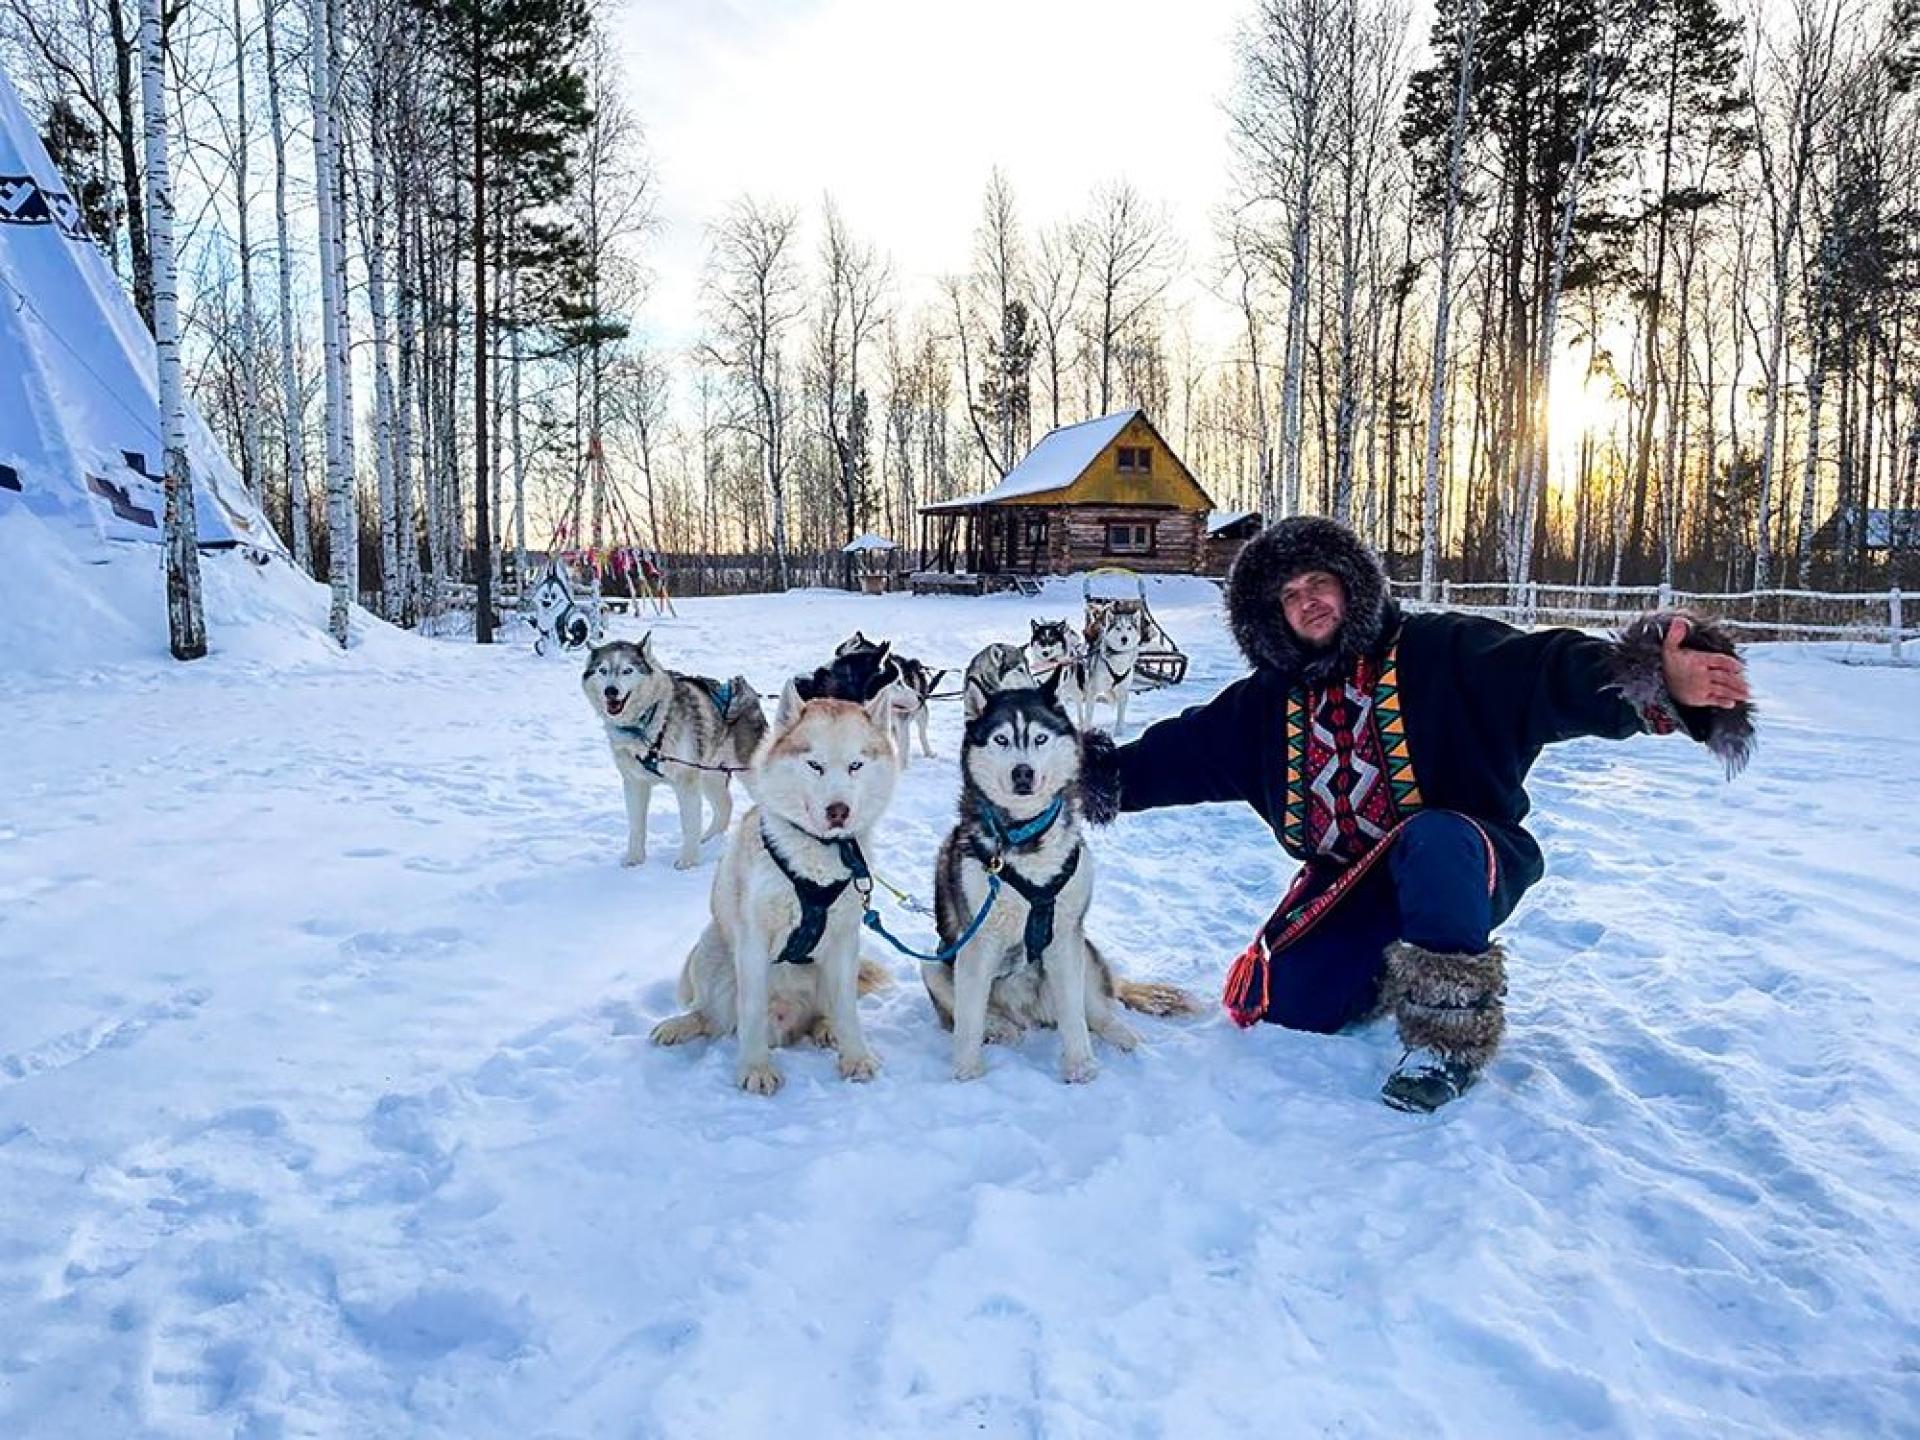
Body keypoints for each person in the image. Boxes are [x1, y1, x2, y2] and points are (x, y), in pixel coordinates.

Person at [1081, 516, 1755, 1112]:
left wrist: (1655, 677)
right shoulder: (1267, 704)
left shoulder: (1444, 652)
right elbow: (1181, 753)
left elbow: (1548, 669)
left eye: (1319, 582)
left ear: (1350, 584)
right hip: (1352, 885)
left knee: (1433, 838)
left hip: (1463, 861)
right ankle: (1383, 968)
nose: (1308, 602)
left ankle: (1446, 1042)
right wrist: (1076, 777)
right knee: (1294, 1006)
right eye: (1288, 596)